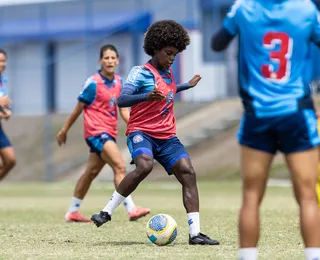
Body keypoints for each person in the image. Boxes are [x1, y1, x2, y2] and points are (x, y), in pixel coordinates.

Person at [91, 20, 219, 246]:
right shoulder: (140, 72)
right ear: (155, 48)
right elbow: (122, 99)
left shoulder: (168, 73)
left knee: (188, 172)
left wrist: (186, 86)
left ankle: (195, 234)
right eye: (169, 53)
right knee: (144, 166)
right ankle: (106, 212)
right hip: (142, 132)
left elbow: (168, 90)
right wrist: (146, 96)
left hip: (167, 136)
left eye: (175, 54)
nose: (172, 58)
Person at [211, 0, 320, 259]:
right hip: (296, 112)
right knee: (307, 195)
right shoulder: (305, 9)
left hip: (257, 114)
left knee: (250, 196)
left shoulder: (244, 7)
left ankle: (248, 256)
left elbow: (217, 43)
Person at [56, 44, 150, 222]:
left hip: (109, 132)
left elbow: (123, 110)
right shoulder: (93, 83)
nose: (109, 61)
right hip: (96, 132)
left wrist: (136, 126)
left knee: (91, 172)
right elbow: (78, 109)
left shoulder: (120, 82)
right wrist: (64, 130)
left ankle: (73, 211)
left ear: (117, 61)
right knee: (120, 166)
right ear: (100, 60)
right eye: (106, 58)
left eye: (113, 58)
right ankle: (131, 209)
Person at [0, 48, 16, 182]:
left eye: (4, 61)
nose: (2, 64)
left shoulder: (3, 80)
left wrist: (6, 112)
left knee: (10, 160)